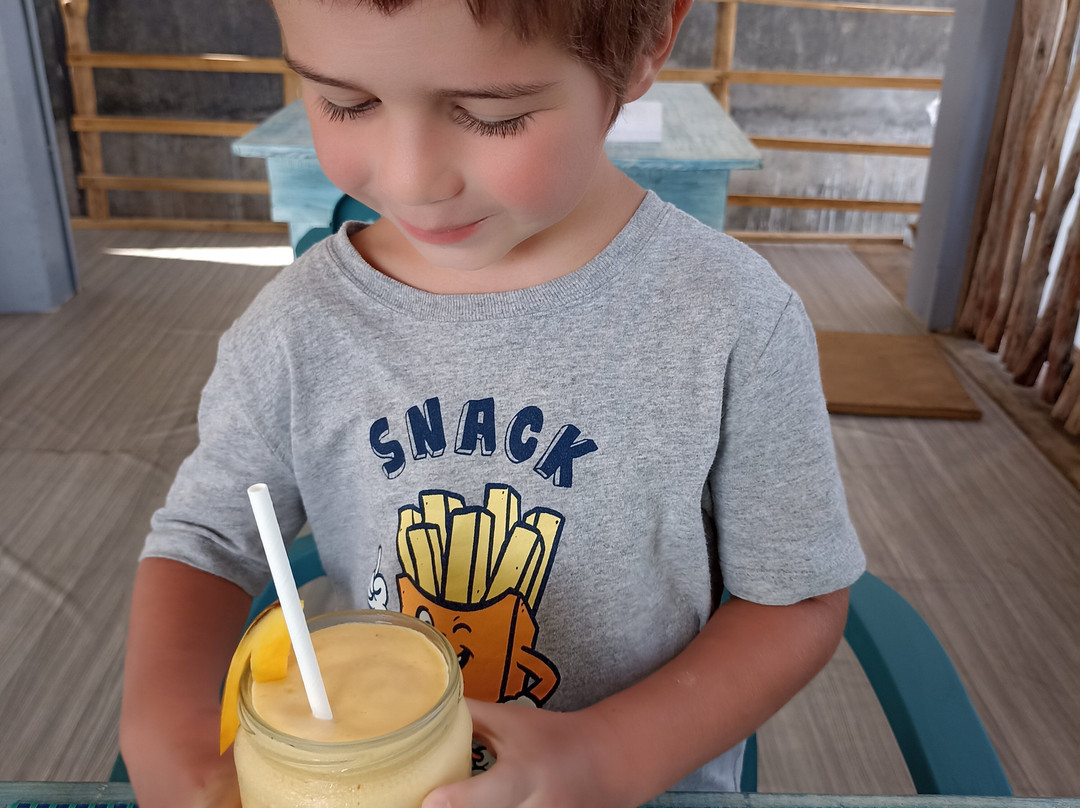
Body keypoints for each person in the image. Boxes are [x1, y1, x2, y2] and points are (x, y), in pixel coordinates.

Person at [119, 0, 866, 805]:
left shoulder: (730, 319)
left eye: (491, 114)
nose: (411, 178)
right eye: (347, 102)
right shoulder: (296, 328)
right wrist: (167, 735)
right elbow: (204, 543)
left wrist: (612, 754)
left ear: (649, 39)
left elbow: (798, 598)